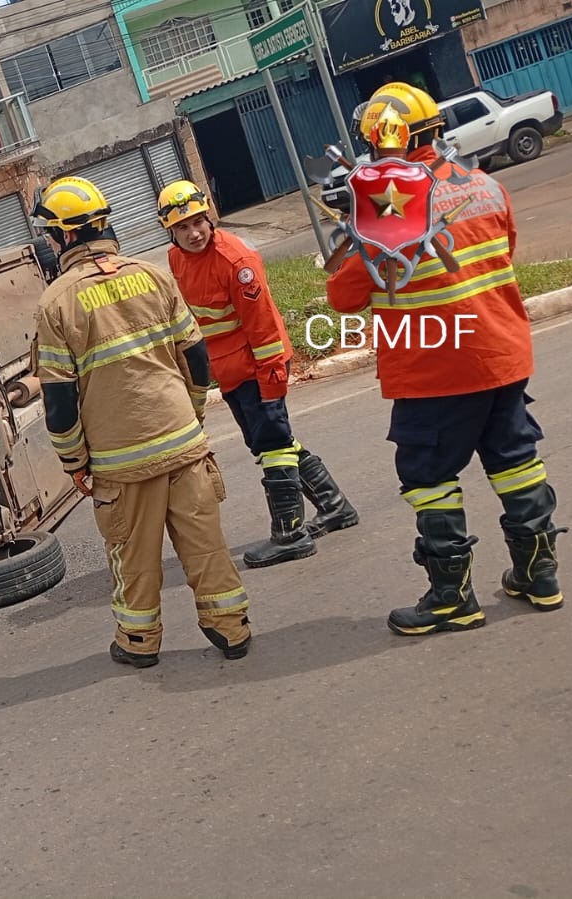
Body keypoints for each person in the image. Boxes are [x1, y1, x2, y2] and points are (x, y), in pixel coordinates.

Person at [326, 82, 566, 636]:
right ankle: (539, 574)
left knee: (428, 475)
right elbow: (503, 253)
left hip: (436, 369)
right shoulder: (484, 185)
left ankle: (452, 597)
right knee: (515, 461)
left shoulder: (392, 209)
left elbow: (344, 295)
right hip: (502, 355)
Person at [32, 175, 252, 668]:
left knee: (133, 557)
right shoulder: (154, 276)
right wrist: (192, 415)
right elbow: (197, 358)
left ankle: (138, 641)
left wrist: (74, 463)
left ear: (66, 236)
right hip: (184, 443)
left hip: (121, 463)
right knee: (207, 545)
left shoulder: (56, 303)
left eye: (49, 235)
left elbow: (59, 400)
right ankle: (232, 628)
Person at [158, 179, 360, 568]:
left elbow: (263, 328)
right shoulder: (176, 259)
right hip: (229, 370)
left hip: (257, 365)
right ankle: (334, 506)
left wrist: (271, 381)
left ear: (208, 217)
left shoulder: (237, 262)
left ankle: (290, 535)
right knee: (267, 441)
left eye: (198, 222)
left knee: (273, 445)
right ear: (170, 230)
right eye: (182, 227)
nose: (194, 233)